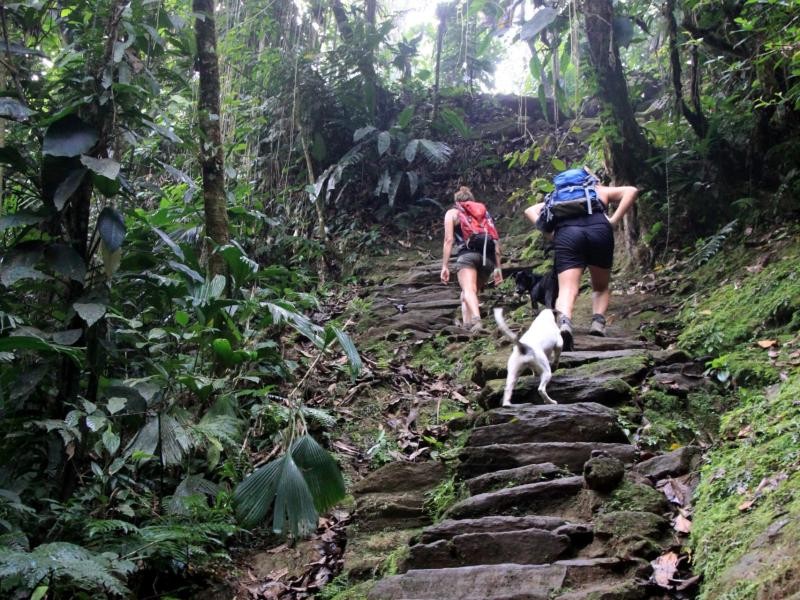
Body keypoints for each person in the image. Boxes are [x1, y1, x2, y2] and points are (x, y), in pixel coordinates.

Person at [524, 173, 638, 350]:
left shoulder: (556, 197)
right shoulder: (598, 190)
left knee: (568, 288)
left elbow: (529, 210)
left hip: (567, 233)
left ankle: (564, 322)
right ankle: (598, 323)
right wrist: (614, 220)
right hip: (599, 230)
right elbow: (631, 191)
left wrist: (550, 234)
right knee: (600, 286)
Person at [440, 186, 503, 333]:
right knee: (468, 293)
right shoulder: (484, 214)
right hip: (488, 259)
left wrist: (445, 266)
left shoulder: (453, 213)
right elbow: (496, 241)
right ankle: (467, 326)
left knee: (468, 289)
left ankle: (477, 321)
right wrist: (498, 268)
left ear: (457, 201)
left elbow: (448, 240)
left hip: (467, 255)